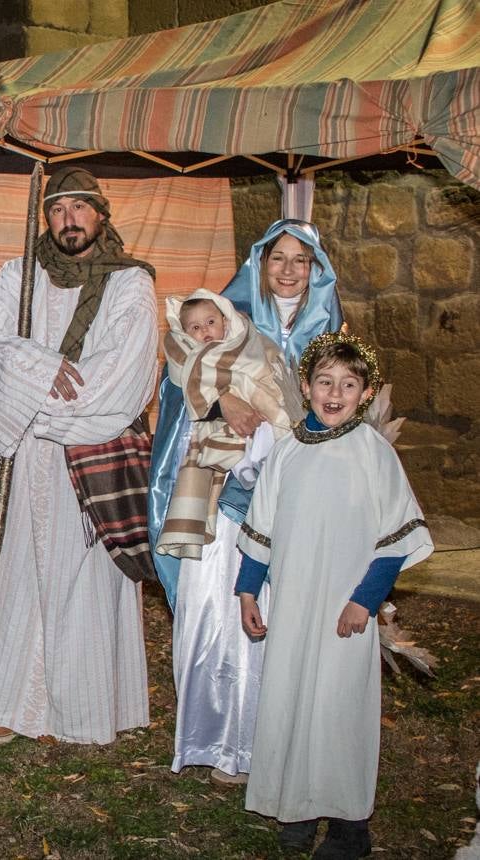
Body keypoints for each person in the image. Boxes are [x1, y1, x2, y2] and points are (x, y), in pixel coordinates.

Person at [0, 165, 157, 746]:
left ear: (101, 214)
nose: (68, 220)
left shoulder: (130, 285)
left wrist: (31, 410)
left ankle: (78, 711)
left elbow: (121, 380)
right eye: (57, 209)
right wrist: (43, 371)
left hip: (94, 455)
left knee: (84, 579)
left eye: (79, 208)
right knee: (22, 571)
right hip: (31, 460)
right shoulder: (19, 275)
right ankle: (13, 704)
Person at [148, 219, 342, 784]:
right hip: (221, 494)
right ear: (258, 264)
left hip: (296, 495)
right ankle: (220, 740)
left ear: (316, 272)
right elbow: (178, 394)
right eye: (276, 258)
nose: (287, 270)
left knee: (287, 605)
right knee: (219, 603)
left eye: (300, 261)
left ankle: (278, 741)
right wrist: (223, 399)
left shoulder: (330, 338)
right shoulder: (217, 324)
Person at [235, 333, 431, 857]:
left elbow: (394, 540)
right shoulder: (286, 453)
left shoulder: (373, 453)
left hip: (346, 609)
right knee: (291, 698)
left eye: (349, 383)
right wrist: (248, 592)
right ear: (307, 386)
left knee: (341, 707)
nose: (335, 391)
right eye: (325, 381)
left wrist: (364, 600)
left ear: (365, 393)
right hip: (295, 605)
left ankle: (348, 823)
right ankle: (295, 806)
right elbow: (261, 530)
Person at [155, 288, 293, 560]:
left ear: (225, 321)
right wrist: (223, 395)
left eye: (211, 322)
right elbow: (184, 389)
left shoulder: (246, 339)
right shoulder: (183, 351)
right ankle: (242, 466)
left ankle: (254, 463)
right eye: (195, 327)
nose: (205, 331)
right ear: (184, 332)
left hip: (257, 420)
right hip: (213, 447)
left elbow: (264, 370)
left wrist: (249, 390)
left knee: (266, 430)